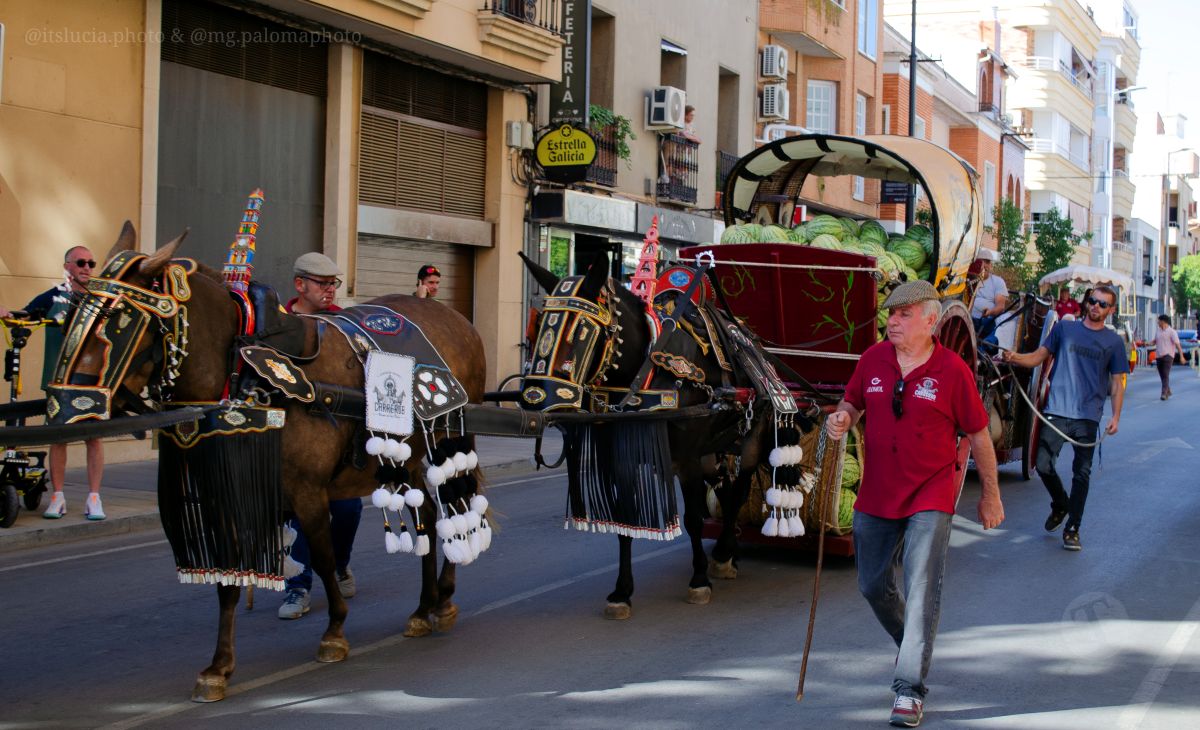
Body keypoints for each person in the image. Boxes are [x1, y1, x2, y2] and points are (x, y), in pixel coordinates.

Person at [825, 280, 1004, 728]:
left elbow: (979, 434)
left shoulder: (953, 371)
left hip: (931, 494)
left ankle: (909, 689)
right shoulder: (873, 360)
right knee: (871, 585)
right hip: (878, 492)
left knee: (923, 589)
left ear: (930, 320)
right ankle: (914, 644)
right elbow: (853, 402)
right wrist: (843, 417)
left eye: (904, 315)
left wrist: (991, 495)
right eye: (891, 314)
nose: (893, 321)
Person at [1003, 284, 1127, 552]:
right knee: (1044, 465)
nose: (1095, 306)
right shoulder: (1064, 330)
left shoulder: (1114, 342)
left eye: (1102, 304)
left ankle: (1073, 528)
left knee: (1081, 475)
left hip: (1087, 416)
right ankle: (1060, 503)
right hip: (1056, 410)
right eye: (1092, 300)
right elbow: (1038, 357)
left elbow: (1117, 383)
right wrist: (1014, 358)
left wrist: (1115, 416)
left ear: (1111, 310)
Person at [279, 252, 360, 619]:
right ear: (300, 285)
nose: (330, 290)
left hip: (340, 436)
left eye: (333, 284)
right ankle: (298, 587)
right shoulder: (278, 324)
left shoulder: (345, 324)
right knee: (297, 512)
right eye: (322, 283)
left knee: (347, 507)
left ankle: (339, 564)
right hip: (296, 437)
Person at [0, 247, 106, 520]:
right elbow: (26, 315)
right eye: (81, 262)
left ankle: (94, 498)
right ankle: (57, 497)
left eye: (91, 263)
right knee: (59, 437)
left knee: (94, 438)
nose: (87, 267)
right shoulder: (56, 296)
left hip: (94, 380)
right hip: (60, 380)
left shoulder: (103, 298)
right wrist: (7, 313)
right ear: (68, 266)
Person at [969, 248, 1008, 347]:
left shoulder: (998, 281)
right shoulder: (968, 280)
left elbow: (1000, 305)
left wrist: (989, 312)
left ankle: (984, 350)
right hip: (967, 318)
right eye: (981, 261)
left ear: (991, 265)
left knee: (997, 326)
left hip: (986, 321)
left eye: (987, 262)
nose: (984, 265)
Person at [1153, 314, 1182, 400]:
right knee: (1162, 375)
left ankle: (1164, 394)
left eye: (1159, 321)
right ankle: (1168, 390)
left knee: (1165, 374)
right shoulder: (1158, 331)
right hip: (1158, 355)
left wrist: (1181, 356)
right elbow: (1155, 341)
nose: (1158, 322)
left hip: (1168, 356)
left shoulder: (1172, 332)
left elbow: (1177, 344)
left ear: (1163, 321)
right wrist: (1148, 343)